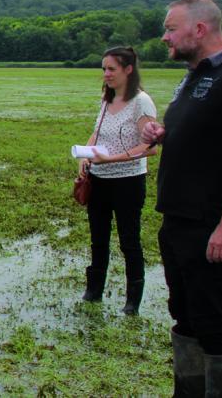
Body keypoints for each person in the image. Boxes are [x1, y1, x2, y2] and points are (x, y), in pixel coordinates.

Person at [142, 0, 222, 397]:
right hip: (177, 220)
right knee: (184, 316)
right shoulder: (194, 75)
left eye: (171, 28)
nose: (165, 37)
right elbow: (203, 134)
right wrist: (163, 134)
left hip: (209, 225)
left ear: (199, 30)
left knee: (213, 322)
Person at [76, 46, 158, 315]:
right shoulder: (107, 98)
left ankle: (132, 301)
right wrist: (85, 157)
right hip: (99, 180)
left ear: (128, 70)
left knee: (129, 241)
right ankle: (93, 291)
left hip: (128, 182)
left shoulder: (141, 102)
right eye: (103, 69)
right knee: (98, 239)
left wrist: (111, 159)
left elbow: (150, 147)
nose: (106, 74)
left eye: (111, 69)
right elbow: (96, 133)